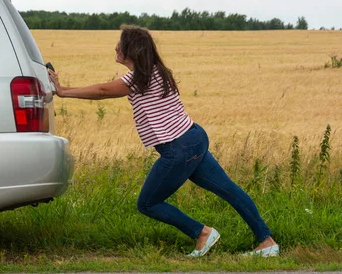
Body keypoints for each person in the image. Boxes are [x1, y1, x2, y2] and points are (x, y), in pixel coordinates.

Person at [47, 25, 279, 257]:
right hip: (194, 137)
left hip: (179, 147)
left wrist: (63, 91)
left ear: (132, 50)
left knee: (147, 203)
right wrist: (63, 89)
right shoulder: (158, 71)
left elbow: (102, 91)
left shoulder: (139, 78)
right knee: (230, 190)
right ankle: (267, 241)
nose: (116, 47)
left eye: (121, 44)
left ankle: (202, 233)